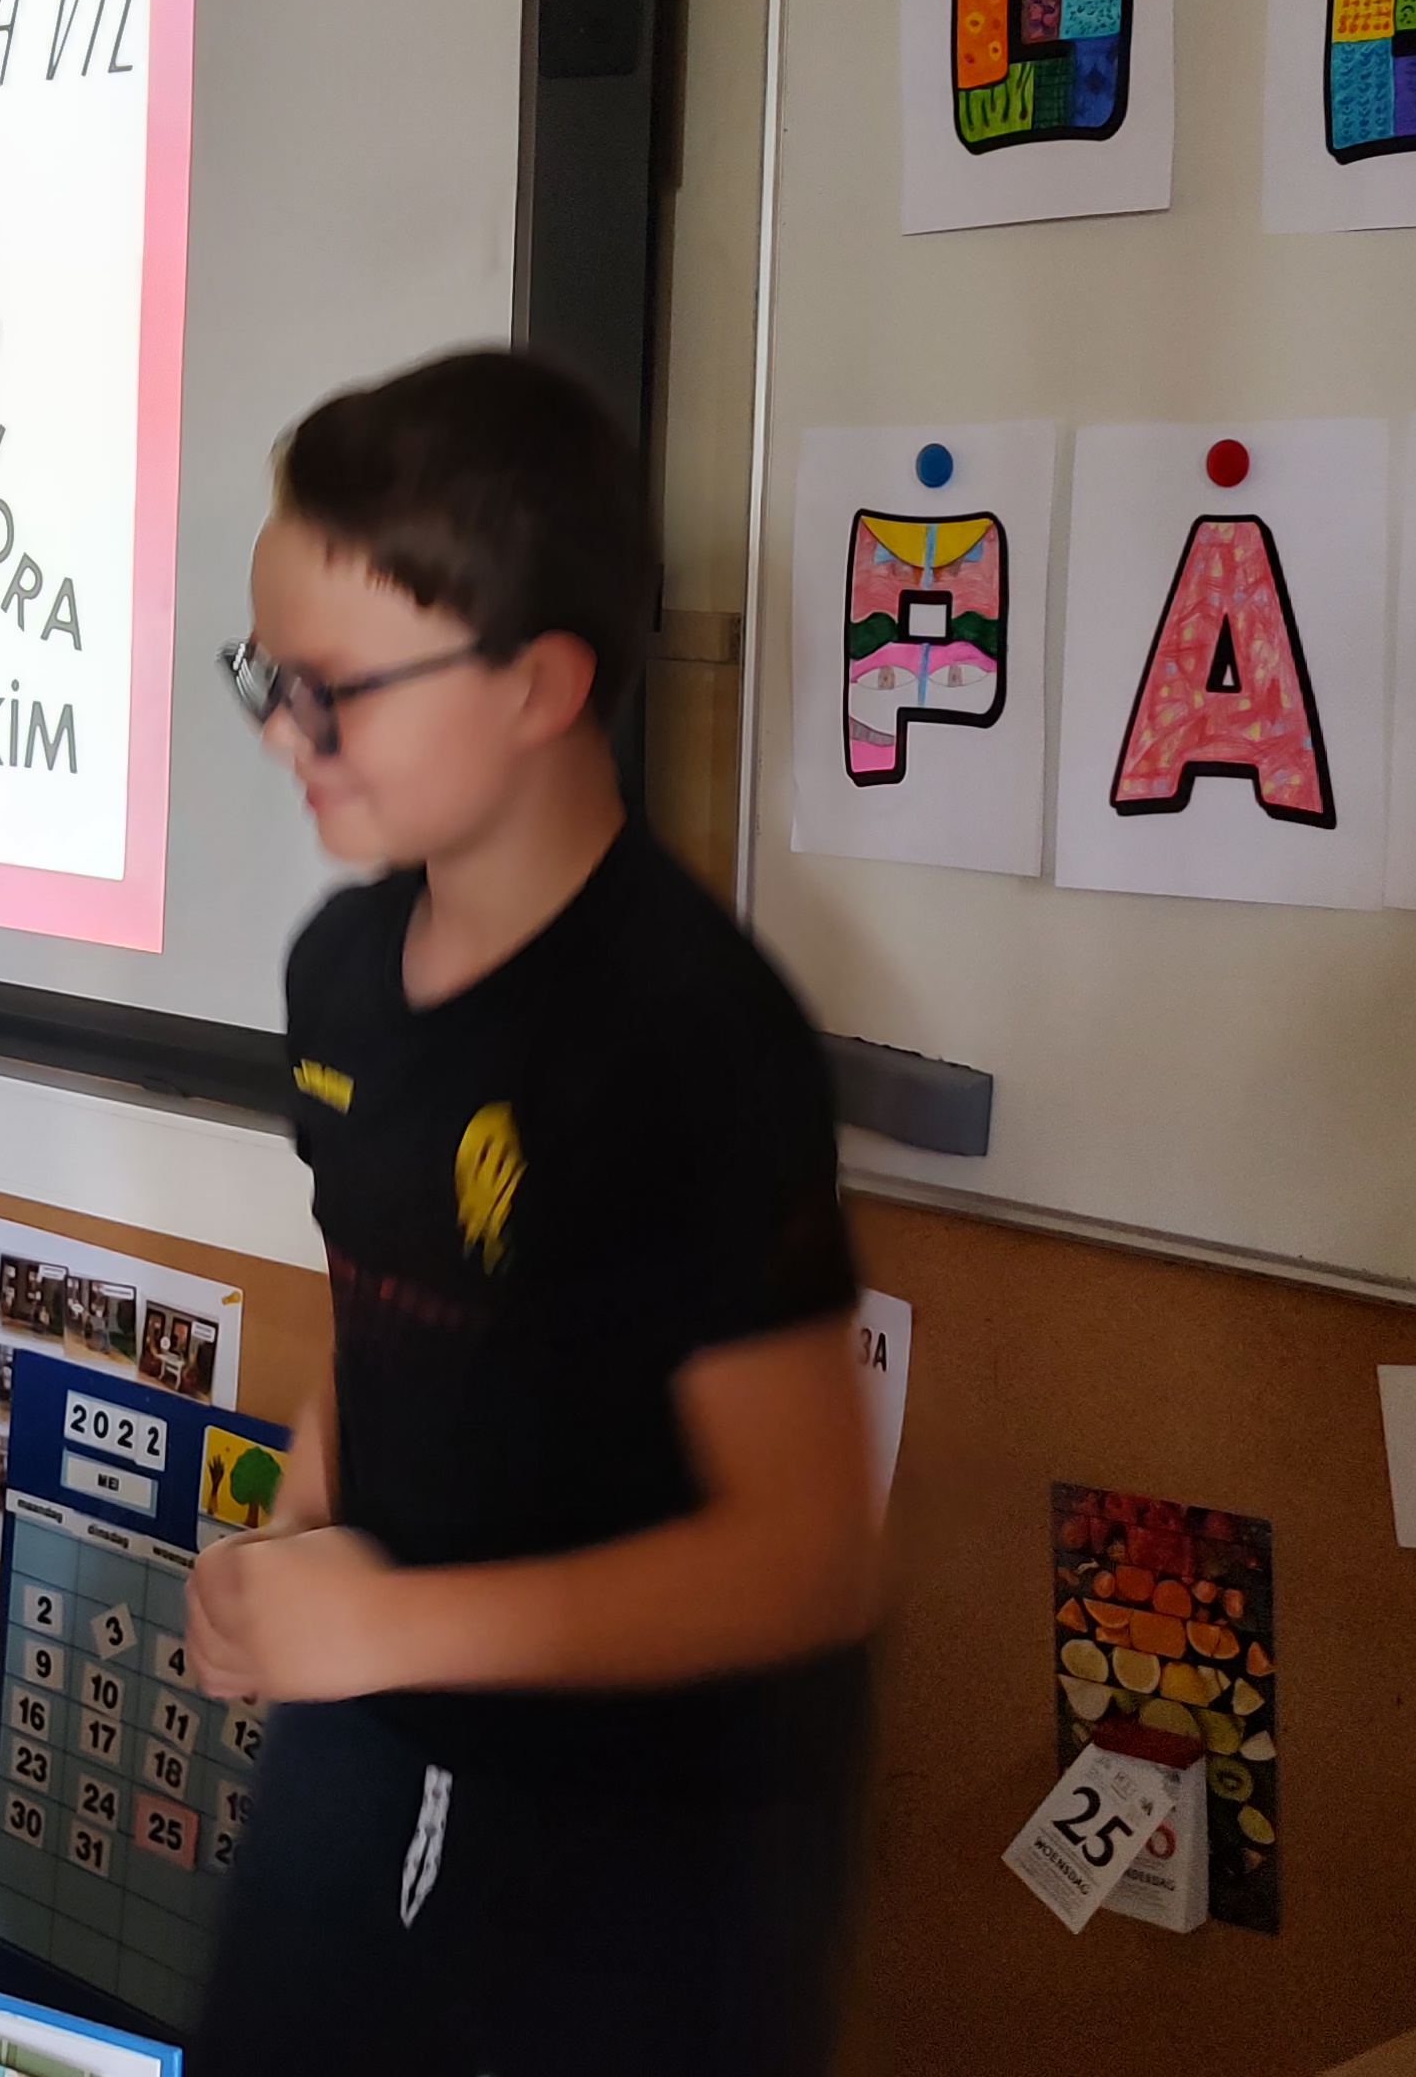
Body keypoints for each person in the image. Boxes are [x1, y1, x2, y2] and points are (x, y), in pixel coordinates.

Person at [184, 349, 883, 2077]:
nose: (281, 732)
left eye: (334, 689)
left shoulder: (685, 1038)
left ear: (539, 685)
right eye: (266, 676)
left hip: (642, 1825)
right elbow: (389, 1302)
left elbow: (806, 1557)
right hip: (378, 1723)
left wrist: (395, 1622)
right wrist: (293, 1529)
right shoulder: (343, 967)